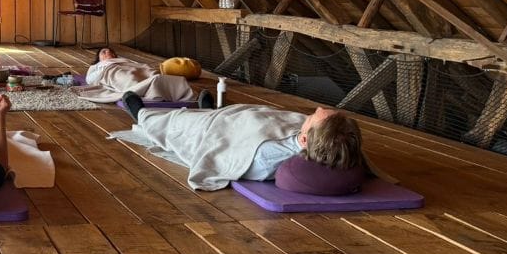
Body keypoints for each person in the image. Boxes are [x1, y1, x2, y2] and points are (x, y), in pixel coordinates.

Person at [116, 95, 368, 193]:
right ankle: (212, 110)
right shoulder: (321, 137)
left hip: (218, 127)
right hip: (240, 117)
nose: (317, 107)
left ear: (304, 140)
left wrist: (220, 121)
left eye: (313, 116)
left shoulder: (266, 156)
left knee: (176, 122)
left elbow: (227, 146)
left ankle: (142, 115)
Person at [73, 46, 196, 104]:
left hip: (134, 68)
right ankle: (150, 88)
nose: (108, 52)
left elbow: (139, 67)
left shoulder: (125, 60)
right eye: (104, 52)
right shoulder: (98, 66)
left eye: (110, 51)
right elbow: (90, 79)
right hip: (113, 71)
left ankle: (164, 86)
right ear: (99, 58)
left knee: (151, 73)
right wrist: (104, 69)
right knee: (128, 77)